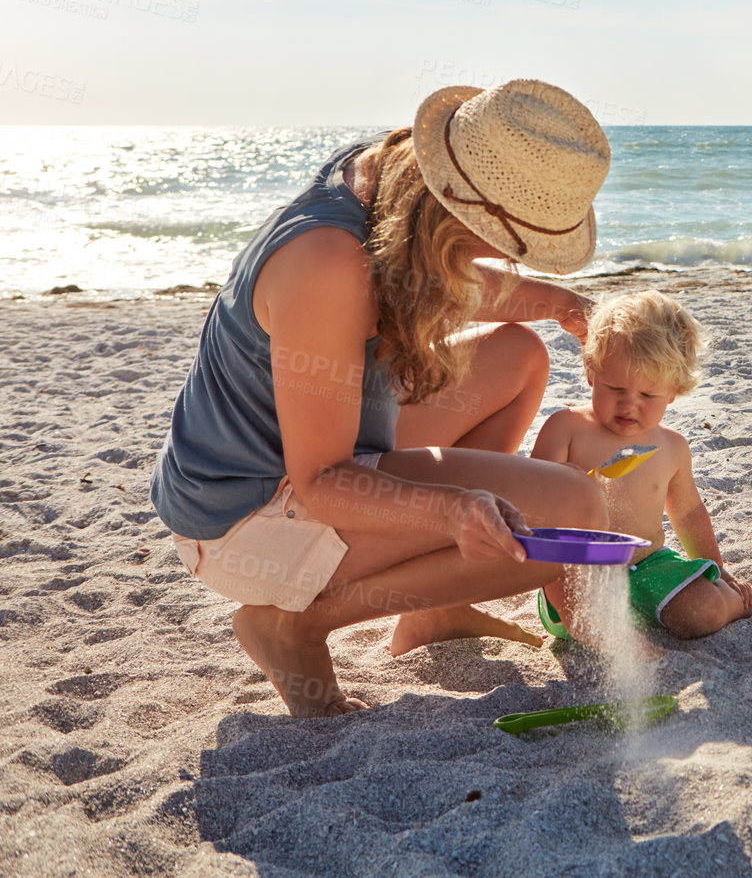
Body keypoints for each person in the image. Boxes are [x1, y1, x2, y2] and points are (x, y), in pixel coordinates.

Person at [149, 79, 615, 717]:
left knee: (518, 356)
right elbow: (320, 480)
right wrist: (453, 514)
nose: (508, 256)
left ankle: (438, 608)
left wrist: (563, 305)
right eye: (509, 242)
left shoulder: (388, 177)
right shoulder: (327, 265)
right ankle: (295, 626)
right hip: (248, 513)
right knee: (574, 515)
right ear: (462, 211)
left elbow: (439, 272)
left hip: (309, 448)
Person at [531, 290, 752, 638]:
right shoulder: (566, 429)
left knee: (702, 612)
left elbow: (688, 513)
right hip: (578, 568)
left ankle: (736, 602)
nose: (629, 405)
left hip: (648, 567)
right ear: (591, 373)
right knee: (579, 616)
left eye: (648, 395)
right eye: (615, 387)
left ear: (674, 392)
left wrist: (718, 569)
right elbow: (531, 505)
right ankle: (611, 639)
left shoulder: (671, 446)